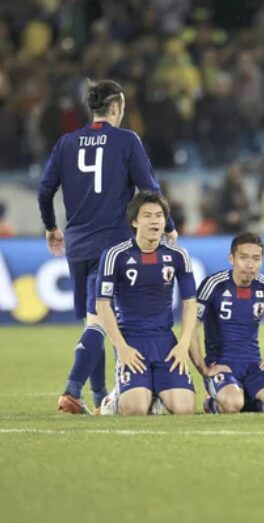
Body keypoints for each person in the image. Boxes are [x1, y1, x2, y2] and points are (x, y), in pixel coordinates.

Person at [37, 79, 177, 414]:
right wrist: (168, 226)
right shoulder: (127, 140)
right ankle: (72, 390)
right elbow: (149, 185)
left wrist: (51, 227)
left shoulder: (66, 143)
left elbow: (45, 190)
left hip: (78, 244)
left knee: (93, 318)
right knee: (101, 319)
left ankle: (100, 398)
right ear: (116, 108)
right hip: (113, 245)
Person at [96, 191, 195, 416]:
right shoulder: (115, 255)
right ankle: (112, 401)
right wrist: (121, 347)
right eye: (147, 216)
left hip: (165, 342)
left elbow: (190, 303)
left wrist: (183, 344)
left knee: (184, 408)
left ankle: (156, 396)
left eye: (159, 216)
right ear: (134, 221)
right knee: (135, 409)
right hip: (132, 341)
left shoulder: (178, 255)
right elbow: (103, 305)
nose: (155, 221)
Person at [189, 232, 264, 414]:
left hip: (253, 365)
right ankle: (211, 402)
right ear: (232, 259)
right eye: (243, 257)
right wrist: (203, 367)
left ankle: (249, 399)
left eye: (256, 259)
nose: (250, 264)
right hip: (221, 365)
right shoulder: (214, 285)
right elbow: (191, 327)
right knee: (232, 404)